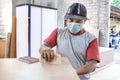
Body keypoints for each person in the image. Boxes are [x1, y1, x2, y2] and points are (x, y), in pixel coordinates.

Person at [39, 3, 100, 80]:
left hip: (80, 78)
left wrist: (72, 73)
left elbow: (92, 65)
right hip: (60, 76)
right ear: (66, 20)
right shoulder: (58, 32)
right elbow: (43, 46)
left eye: (78, 21)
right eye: (71, 20)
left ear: (84, 21)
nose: (74, 23)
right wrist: (44, 49)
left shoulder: (91, 39)